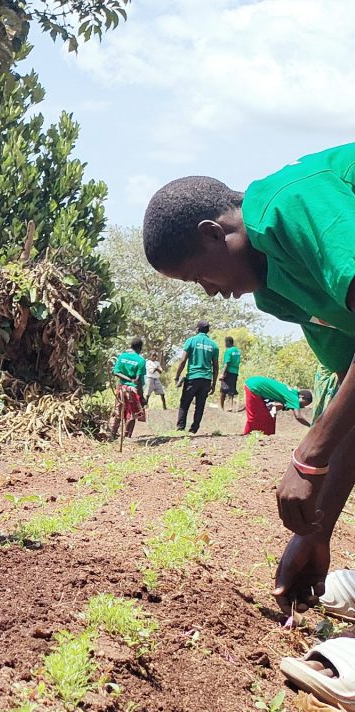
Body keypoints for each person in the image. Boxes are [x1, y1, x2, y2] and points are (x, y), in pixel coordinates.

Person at [140, 143, 355, 618]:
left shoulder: (289, 205)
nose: (212, 293)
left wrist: (308, 456)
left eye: (200, 276)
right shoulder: (277, 292)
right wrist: (314, 532)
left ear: (214, 233)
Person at [174, 321, 218, 433]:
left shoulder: (191, 341)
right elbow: (216, 366)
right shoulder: (213, 345)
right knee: (200, 405)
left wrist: (177, 376)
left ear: (197, 329)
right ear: (208, 331)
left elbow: (183, 360)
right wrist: (213, 384)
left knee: (185, 403)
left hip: (193, 378)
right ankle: (194, 429)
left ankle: (180, 428)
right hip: (206, 379)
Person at [241, 375, 312, 435]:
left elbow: (279, 405)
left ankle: (267, 435)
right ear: (301, 397)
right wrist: (311, 426)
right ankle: (247, 435)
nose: (302, 406)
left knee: (270, 415)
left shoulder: (291, 393)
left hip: (255, 384)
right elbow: (298, 416)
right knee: (256, 417)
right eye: (303, 404)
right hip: (254, 386)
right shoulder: (294, 397)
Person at [108, 338, 147, 439]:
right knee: (132, 413)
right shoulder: (141, 360)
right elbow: (138, 381)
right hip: (133, 390)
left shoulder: (122, 356)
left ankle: (112, 435)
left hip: (121, 388)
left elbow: (116, 372)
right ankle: (126, 436)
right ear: (140, 348)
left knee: (118, 411)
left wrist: (127, 379)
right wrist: (142, 397)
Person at [220, 336, 242, 410]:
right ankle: (230, 406)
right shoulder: (237, 351)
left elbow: (227, 363)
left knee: (223, 389)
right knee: (232, 389)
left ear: (228, 342)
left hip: (228, 371)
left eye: (225, 342)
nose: (225, 344)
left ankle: (221, 407)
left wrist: (223, 373)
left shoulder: (228, 351)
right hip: (235, 372)